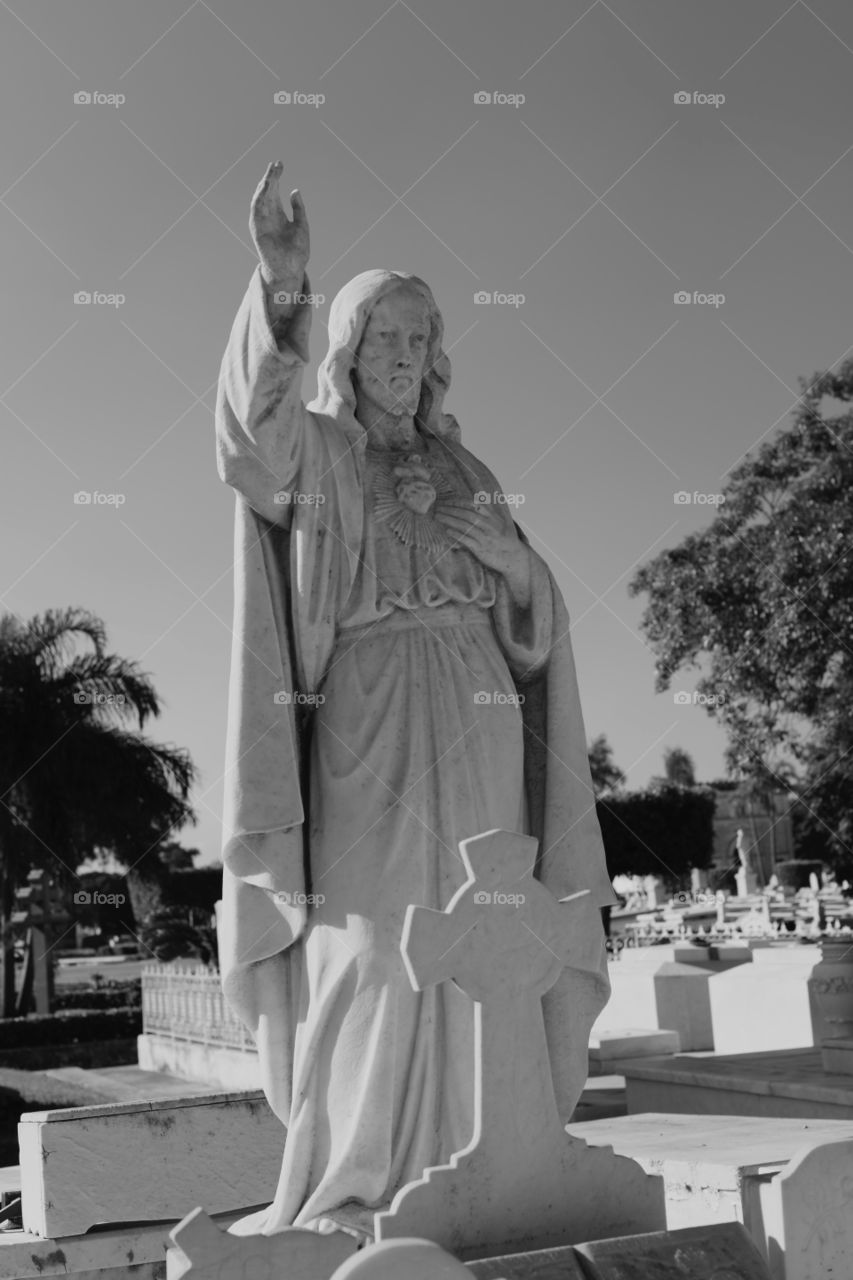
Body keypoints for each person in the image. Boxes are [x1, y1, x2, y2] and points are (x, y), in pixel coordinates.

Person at [216, 162, 616, 1243]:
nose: (400, 356)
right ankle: (360, 1173)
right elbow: (255, 442)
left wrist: (519, 572)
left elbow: (532, 625)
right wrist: (282, 282)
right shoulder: (330, 450)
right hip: (369, 709)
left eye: (415, 338)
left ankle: (493, 1155)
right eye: (380, 338)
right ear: (345, 354)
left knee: (491, 924)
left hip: (480, 705)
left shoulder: (467, 465)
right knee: (369, 939)